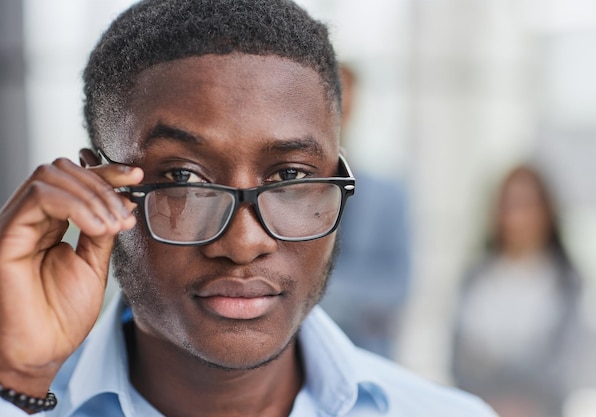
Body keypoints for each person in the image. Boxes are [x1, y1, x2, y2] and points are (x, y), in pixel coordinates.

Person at [0, 1, 497, 416]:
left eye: (290, 177)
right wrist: (20, 378)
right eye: (182, 179)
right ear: (96, 187)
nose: (243, 243)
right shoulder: (22, 397)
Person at [451, 164, 583, 417]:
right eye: (508, 206)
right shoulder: (475, 277)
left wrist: (520, 399)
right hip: (479, 407)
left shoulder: (566, 283)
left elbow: (560, 366)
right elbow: (458, 358)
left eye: (526, 205)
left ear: (547, 211)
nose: (516, 218)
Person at [320, 65, 411, 358]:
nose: (341, 111)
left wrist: (320, 298)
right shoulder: (284, 192)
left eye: (347, 102)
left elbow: (397, 289)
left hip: (370, 356)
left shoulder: (389, 194)